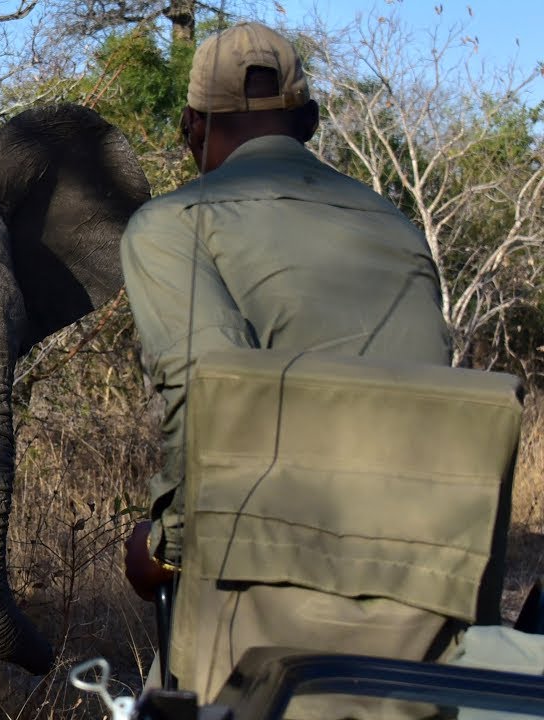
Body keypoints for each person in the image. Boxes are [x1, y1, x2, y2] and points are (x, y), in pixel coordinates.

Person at [118, 21, 456, 689]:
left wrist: (168, 547)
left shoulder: (171, 224)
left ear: (191, 127)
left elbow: (209, 392)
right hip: (430, 595)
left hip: (270, 597)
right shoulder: (397, 226)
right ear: (311, 121)